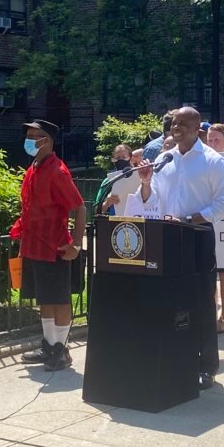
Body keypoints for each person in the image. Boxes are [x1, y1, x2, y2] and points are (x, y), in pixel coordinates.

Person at [133, 107, 224, 390]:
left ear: (195, 128)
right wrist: (144, 184)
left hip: (197, 235)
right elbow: (152, 200)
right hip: (167, 236)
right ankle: (177, 357)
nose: (175, 127)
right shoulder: (165, 159)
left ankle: (206, 366)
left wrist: (191, 218)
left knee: (201, 301)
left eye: (181, 124)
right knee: (170, 298)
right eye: (173, 123)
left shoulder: (212, 161)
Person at [11, 119, 87, 371]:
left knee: (59, 300)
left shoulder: (57, 171)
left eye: (35, 136)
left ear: (48, 141)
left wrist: (75, 244)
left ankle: (61, 350)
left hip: (54, 247)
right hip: (34, 246)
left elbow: (79, 208)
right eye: (28, 136)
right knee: (44, 298)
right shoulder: (33, 168)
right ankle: (48, 344)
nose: (30, 141)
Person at [206, 123, 224, 333]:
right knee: (208, 273)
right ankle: (209, 313)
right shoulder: (204, 161)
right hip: (208, 222)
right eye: (210, 140)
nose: (213, 143)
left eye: (217, 140)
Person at [95, 144, 134, 215]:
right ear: (113, 160)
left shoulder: (140, 178)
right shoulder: (108, 181)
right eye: (117, 158)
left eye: (124, 157)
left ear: (130, 158)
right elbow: (96, 211)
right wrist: (107, 203)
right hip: (115, 223)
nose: (120, 160)